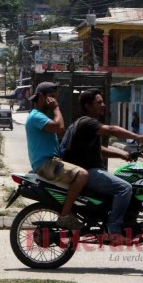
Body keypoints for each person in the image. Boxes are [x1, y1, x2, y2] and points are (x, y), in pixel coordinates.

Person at [62, 89, 143, 242]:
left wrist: (121, 154)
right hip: (86, 171)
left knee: (121, 182)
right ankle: (113, 230)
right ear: (88, 106)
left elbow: (98, 150)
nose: (103, 105)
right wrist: (137, 137)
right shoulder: (88, 122)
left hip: (85, 170)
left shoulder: (82, 123)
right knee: (125, 188)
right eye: (99, 102)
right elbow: (112, 130)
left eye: (103, 102)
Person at [25, 82, 88, 230]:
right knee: (83, 175)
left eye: (55, 98)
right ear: (41, 96)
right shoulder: (36, 116)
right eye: (51, 97)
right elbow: (60, 128)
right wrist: (56, 108)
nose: (54, 100)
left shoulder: (40, 116)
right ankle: (65, 216)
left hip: (50, 162)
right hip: (46, 164)